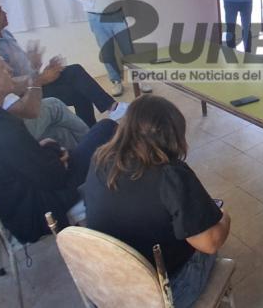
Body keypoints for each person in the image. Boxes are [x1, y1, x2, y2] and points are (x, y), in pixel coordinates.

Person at [0, 44, 117, 243]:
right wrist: (56, 154)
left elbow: (14, 159)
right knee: (107, 128)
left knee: (70, 135)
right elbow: (54, 178)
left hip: (13, 201)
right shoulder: (3, 128)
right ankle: (119, 202)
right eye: (3, 68)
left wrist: (45, 151)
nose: (10, 70)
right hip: (39, 209)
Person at [83, 95, 231, 307]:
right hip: (160, 295)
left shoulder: (100, 157)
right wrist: (224, 218)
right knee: (210, 243)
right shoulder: (170, 175)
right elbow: (210, 243)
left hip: (105, 286)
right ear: (173, 136)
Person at [0, 0, 125, 127]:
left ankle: (97, 122)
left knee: (76, 74)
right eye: (0, 11)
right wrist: (42, 78)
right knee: (78, 88)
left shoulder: (6, 35)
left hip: (36, 81)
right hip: (27, 94)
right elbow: (11, 87)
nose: (5, 13)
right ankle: (108, 112)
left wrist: (35, 65)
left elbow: (23, 70)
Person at [0, 20, 96, 151]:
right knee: (55, 105)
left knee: (60, 132)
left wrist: (35, 73)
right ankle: (96, 149)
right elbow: (30, 111)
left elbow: (12, 85)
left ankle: (85, 156)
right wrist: (37, 78)